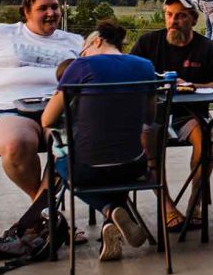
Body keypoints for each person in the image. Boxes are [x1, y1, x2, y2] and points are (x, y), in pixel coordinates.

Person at [41, 21, 155, 261]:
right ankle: (110, 224)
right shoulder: (145, 66)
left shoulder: (81, 66)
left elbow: (47, 119)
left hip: (88, 170)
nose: (83, 54)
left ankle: (110, 210)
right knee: (114, 165)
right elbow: (150, 117)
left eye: (84, 49)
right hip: (134, 167)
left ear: (97, 41)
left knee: (60, 162)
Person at [0, 0, 83, 200]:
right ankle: (46, 215)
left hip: (60, 108)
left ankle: (40, 218)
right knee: (16, 144)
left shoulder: (74, 41)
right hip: (9, 110)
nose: (51, 13)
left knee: (75, 143)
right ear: (26, 12)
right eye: (43, 8)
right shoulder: (0, 33)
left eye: (55, 7)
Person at [131, 0, 213, 231]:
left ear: (194, 19)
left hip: (190, 114)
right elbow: (130, 77)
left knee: (206, 140)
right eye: (169, 15)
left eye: (181, 16)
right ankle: (167, 207)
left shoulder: (207, 48)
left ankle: (195, 201)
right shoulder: (147, 43)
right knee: (148, 141)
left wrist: (193, 86)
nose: (173, 21)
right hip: (152, 114)